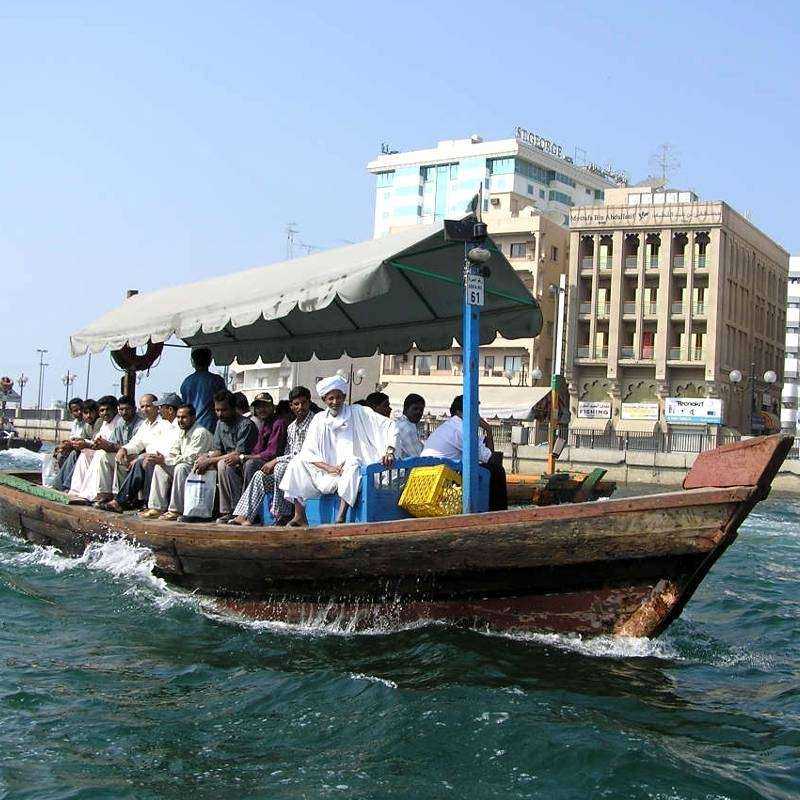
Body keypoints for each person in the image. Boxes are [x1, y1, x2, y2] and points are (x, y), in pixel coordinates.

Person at [280, 376, 398, 526]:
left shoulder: (358, 412)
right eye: (331, 398)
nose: (335, 402)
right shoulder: (319, 419)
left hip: (348, 470)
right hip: (325, 470)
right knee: (296, 463)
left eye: (338, 397)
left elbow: (388, 426)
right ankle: (299, 515)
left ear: (344, 397)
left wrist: (389, 451)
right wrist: (328, 467)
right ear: (324, 399)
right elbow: (308, 452)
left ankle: (341, 516)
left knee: (353, 462)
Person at [230, 386, 316, 526]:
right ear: (291, 406)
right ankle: (245, 515)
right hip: (291, 469)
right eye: (296, 404)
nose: (300, 407)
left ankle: (283, 514)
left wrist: (275, 460)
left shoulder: (315, 422)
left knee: (280, 468)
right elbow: (289, 452)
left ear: (309, 403)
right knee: (260, 476)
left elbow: (303, 454)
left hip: (309, 468)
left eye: (304, 403)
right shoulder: (292, 427)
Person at [182, 390, 258, 522]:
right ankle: (207, 511)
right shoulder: (220, 424)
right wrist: (205, 458)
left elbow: (239, 453)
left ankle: (234, 510)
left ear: (233, 408)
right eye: (217, 410)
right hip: (228, 460)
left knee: (224, 464)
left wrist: (210, 460)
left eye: (223, 410)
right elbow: (218, 450)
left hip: (245, 462)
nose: (220, 414)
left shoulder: (245, 425)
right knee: (210, 464)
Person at [421, 395, 507, 512]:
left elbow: (486, 455)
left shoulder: (449, 426)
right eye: (474, 411)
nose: (477, 415)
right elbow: (490, 458)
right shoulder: (462, 429)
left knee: (490, 469)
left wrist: (488, 433)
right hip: (444, 476)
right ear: (459, 412)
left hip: (434, 472)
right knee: (497, 470)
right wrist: (488, 429)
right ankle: (498, 513)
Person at [104, 394, 174, 512]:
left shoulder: (165, 424)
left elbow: (165, 448)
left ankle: (137, 502)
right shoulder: (145, 425)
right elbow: (136, 443)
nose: (145, 409)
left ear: (156, 407)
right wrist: (124, 449)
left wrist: (145, 455)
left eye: (148, 406)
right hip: (148, 458)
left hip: (163, 460)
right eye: (142, 406)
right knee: (122, 459)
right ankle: (126, 501)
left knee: (142, 462)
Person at [147, 404, 214, 520]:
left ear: (193, 418)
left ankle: (176, 510)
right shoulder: (182, 431)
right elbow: (173, 452)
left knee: (180, 467)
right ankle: (156, 508)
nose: (180, 420)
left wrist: (167, 460)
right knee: (160, 467)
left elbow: (191, 459)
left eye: (183, 417)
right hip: (187, 467)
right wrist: (162, 459)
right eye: (178, 417)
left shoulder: (200, 433)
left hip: (201, 470)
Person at [67, 395, 125, 504]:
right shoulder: (105, 423)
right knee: (85, 453)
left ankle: (98, 493)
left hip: (117, 455)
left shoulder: (119, 422)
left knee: (100, 455)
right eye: (102, 410)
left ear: (114, 409)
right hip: (105, 452)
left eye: (107, 410)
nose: (105, 413)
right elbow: (96, 441)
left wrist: (93, 445)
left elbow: (118, 445)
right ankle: (77, 490)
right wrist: (85, 444)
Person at [241, 392, 288, 488]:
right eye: (258, 407)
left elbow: (271, 453)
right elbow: (257, 449)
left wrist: (247, 457)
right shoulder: (264, 423)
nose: (262, 410)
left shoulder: (278, 423)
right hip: (263, 460)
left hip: (276, 463)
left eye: (265, 406)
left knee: (251, 464)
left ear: (272, 407)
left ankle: (249, 502)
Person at [54, 400, 100, 491]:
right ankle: (60, 484)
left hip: (95, 451)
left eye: (91, 413)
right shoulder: (86, 424)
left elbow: (95, 442)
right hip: (85, 449)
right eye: (86, 413)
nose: (88, 416)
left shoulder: (99, 422)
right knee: (63, 454)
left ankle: (66, 485)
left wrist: (80, 443)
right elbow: (81, 438)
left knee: (75, 454)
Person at [179, 347, 226, 433]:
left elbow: (184, 406)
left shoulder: (186, 382)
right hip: (210, 426)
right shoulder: (216, 380)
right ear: (210, 361)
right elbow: (224, 403)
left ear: (193, 362)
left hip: (191, 426)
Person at [395, 393, 426, 458]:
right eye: (415, 409)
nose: (419, 412)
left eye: (421, 410)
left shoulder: (408, 424)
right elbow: (416, 456)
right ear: (406, 409)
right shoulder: (405, 427)